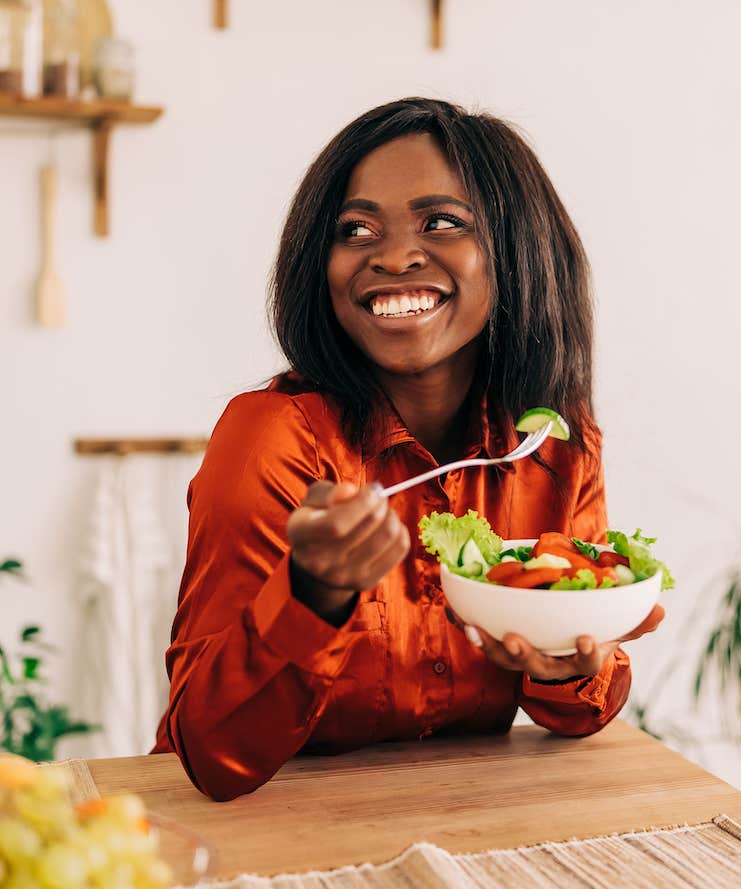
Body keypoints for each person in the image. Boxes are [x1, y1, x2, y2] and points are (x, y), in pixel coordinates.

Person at [152, 97, 664, 801]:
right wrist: (312, 595)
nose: (392, 256)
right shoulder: (271, 440)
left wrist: (568, 666)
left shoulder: (551, 438)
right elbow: (210, 752)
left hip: (463, 829)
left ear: (517, 249)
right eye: (355, 229)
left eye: (442, 222)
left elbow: (579, 711)